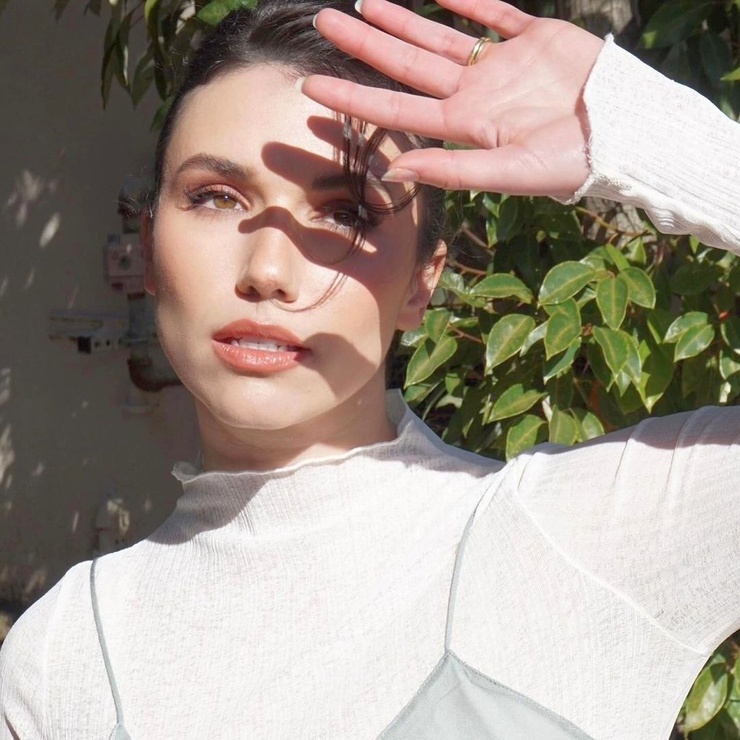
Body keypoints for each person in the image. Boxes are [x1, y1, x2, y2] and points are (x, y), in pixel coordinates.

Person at [1, 0, 739, 738]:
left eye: (347, 212)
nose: (267, 271)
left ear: (422, 283)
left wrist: (640, 131)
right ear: (149, 243)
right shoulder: (63, 652)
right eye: (217, 198)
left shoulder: (579, 540)